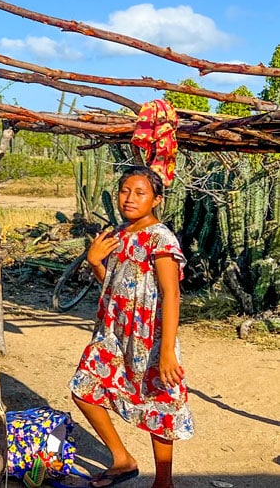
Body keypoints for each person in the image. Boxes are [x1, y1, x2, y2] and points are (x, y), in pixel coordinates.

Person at [69, 166, 193, 488]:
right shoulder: (119, 235)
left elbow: (171, 293)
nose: (130, 198)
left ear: (156, 200)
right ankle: (122, 459)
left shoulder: (160, 237)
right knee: (83, 388)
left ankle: (163, 482)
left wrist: (166, 351)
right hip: (114, 333)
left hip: (150, 337)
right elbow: (115, 285)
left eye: (140, 193)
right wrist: (95, 261)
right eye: (125, 190)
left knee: (159, 403)